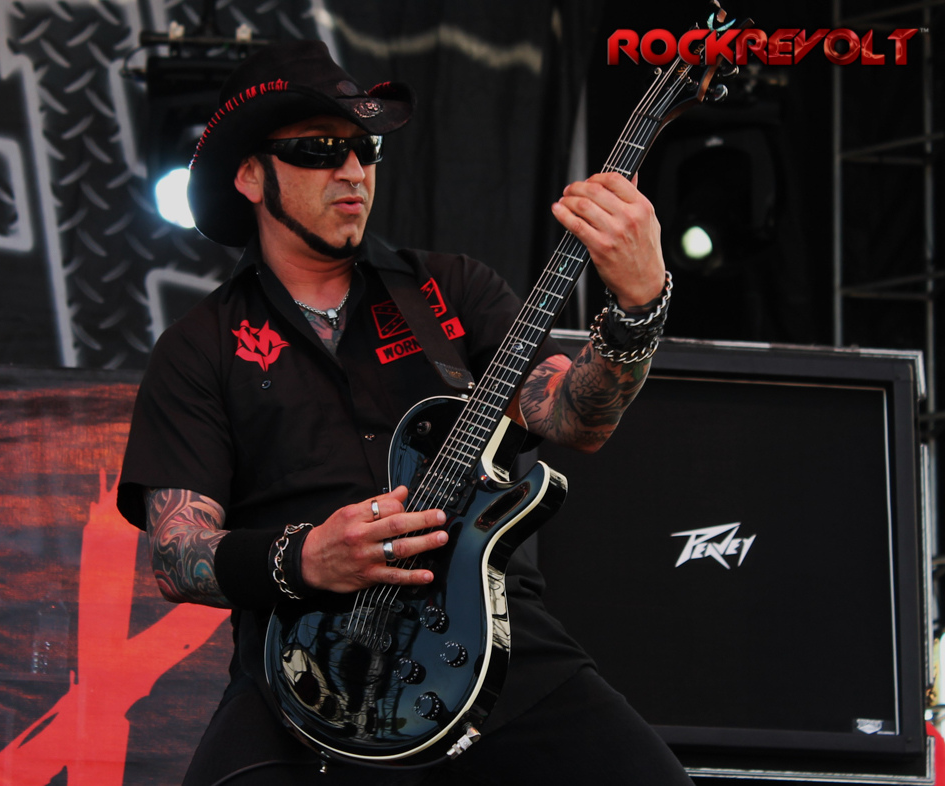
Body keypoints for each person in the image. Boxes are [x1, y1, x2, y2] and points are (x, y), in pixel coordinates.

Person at [117, 40, 691, 786]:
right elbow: (176, 552)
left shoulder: (452, 289)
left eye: (366, 149)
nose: (353, 171)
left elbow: (576, 419)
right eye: (319, 150)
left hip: (495, 645)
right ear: (252, 176)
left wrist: (638, 309)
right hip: (312, 670)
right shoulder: (199, 347)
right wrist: (307, 557)